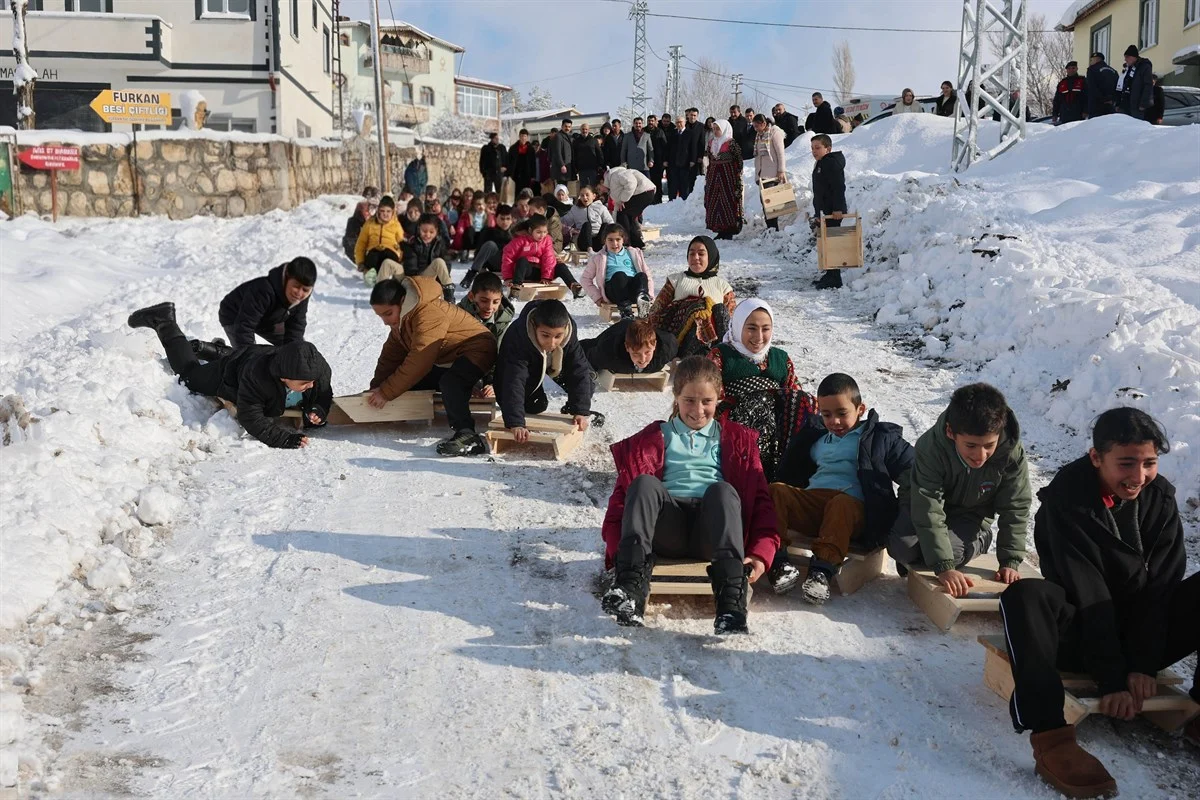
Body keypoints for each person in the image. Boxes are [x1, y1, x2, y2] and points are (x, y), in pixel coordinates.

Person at [997, 408, 1199, 799]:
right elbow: (1087, 590)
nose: (1138, 477)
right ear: (1096, 457)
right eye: (1126, 464)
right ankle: (1052, 739)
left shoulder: (1159, 499)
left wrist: (1142, 664)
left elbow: (1162, 586)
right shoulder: (1067, 500)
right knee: (1025, 596)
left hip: (1140, 634)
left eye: (1149, 463)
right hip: (1078, 634)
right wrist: (1112, 679)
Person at [599, 356, 779, 633]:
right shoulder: (652, 439)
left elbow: (762, 504)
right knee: (644, 484)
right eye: (689, 400)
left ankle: (731, 604)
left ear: (719, 398)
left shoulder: (737, 440)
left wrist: (760, 554)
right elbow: (621, 504)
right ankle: (630, 591)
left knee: (722, 491)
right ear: (676, 396)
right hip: (666, 526)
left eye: (707, 401)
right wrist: (617, 550)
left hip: (714, 531)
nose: (698, 410)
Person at [768, 373, 914, 604]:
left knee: (841, 503)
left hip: (854, 511)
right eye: (826, 415)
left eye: (841, 413)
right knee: (776, 490)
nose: (834, 421)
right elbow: (790, 470)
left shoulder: (879, 437)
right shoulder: (815, 438)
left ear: (860, 409)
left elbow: (914, 468)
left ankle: (820, 571)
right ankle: (777, 562)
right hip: (815, 503)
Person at [887, 383, 1031, 597]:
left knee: (948, 553)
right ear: (951, 432)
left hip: (970, 515)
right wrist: (944, 567)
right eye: (971, 446)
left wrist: (1010, 560)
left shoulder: (1011, 453)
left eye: (989, 445)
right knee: (900, 547)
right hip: (923, 506)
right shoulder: (931, 447)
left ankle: (981, 539)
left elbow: (1016, 506)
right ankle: (923, 557)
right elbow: (927, 506)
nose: (980, 455)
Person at [127, 302, 331, 449]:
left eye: (312, 381)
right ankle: (163, 320)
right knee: (189, 376)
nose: (312, 385)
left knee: (241, 359)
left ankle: (212, 350)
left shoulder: (317, 371)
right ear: (284, 377)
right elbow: (251, 417)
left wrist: (318, 408)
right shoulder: (257, 379)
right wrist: (283, 438)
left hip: (252, 357)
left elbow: (324, 393)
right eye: (304, 382)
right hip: (230, 373)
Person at [366, 277, 497, 457]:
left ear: (402, 302)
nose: (385, 322)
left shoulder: (428, 313)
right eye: (380, 316)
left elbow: (420, 359)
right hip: (451, 357)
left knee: (451, 382)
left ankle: (467, 435)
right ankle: (465, 388)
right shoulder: (403, 319)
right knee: (413, 381)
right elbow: (390, 357)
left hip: (478, 348)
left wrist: (386, 393)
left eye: (388, 314)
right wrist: (377, 387)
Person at [706, 299, 814, 482]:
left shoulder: (780, 359)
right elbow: (710, 398)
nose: (759, 337)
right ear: (738, 325)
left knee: (803, 400)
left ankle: (790, 470)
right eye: (751, 328)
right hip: (737, 427)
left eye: (765, 329)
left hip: (778, 430)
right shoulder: (721, 355)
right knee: (756, 404)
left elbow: (794, 393)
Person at [494, 298, 595, 443]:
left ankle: (571, 408)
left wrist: (580, 411)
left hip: (552, 360)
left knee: (588, 381)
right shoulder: (518, 336)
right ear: (534, 326)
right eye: (545, 335)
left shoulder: (569, 331)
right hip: (522, 368)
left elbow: (578, 370)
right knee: (536, 405)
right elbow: (513, 381)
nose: (552, 342)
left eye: (558, 336)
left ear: (565, 327)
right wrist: (515, 423)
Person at [647, 236, 736, 358]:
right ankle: (699, 352)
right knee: (699, 307)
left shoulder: (723, 286)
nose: (695, 258)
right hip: (683, 340)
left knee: (720, 309)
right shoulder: (676, 280)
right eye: (692, 253)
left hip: (716, 341)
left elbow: (733, 320)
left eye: (701, 254)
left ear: (710, 256)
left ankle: (722, 354)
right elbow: (656, 311)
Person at [218, 257, 315, 347]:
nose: (299, 293)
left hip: (266, 320)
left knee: (292, 348)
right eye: (296, 286)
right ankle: (217, 352)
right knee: (246, 357)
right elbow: (244, 326)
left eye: (305, 290)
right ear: (286, 277)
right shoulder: (264, 290)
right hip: (235, 314)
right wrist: (248, 356)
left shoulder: (300, 297)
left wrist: (294, 355)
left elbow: (296, 326)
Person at [457, 270, 513, 399]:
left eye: (495, 302)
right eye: (484, 301)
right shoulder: (458, 315)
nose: (489, 307)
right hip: (460, 368)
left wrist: (494, 382)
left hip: (487, 369)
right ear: (471, 297)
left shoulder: (502, 320)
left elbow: (501, 354)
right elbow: (452, 354)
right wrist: (466, 383)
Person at [580, 224, 654, 319]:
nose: (614, 244)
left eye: (618, 239)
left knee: (641, 276)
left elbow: (648, 276)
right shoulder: (598, 258)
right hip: (614, 290)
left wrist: (650, 294)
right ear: (604, 241)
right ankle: (625, 309)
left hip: (633, 290)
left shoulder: (634, 253)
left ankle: (643, 300)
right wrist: (597, 297)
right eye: (610, 240)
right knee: (620, 275)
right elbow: (585, 279)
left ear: (623, 240)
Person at [500, 214, 582, 297]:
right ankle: (516, 288)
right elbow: (508, 258)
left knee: (560, 265)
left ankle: (574, 286)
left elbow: (548, 258)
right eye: (538, 232)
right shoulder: (520, 240)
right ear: (530, 230)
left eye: (545, 232)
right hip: (525, 272)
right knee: (522, 260)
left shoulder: (547, 240)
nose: (542, 235)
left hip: (542, 272)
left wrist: (546, 276)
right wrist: (508, 278)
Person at [809, 134, 849, 291]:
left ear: (828, 148)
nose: (814, 151)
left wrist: (838, 208)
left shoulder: (831, 163)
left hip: (833, 210)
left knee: (833, 243)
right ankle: (830, 272)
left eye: (818, 148)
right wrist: (817, 212)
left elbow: (839, 187)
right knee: (827, 242)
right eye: (812, 148)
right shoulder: (820, 163)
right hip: (824, 210)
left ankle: (835, 277)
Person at [581, 317, 678, 381]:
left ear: (655, 345)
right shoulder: (608, 353)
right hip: (616, 332)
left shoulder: (667, 348)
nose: (642, 359)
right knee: (590, 345)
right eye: (636, 354)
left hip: (646, 332)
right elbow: (587, 355)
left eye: (647, 352)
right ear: (627, 348)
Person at [395, 213, 455, 300]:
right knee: (438, 262)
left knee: (440, 262)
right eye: (424, 231)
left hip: (433, 280)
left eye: (431, 232)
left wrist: (439, 284)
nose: (427, 235)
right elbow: (410, 266)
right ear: (419, 229)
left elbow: (447, 264)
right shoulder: (413, 244)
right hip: (417, 280)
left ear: (437, 231)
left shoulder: (440, 244)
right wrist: (414, 286)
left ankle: (448, 295)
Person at [704, 119, 744, 240]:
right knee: (715, 201)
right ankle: (719, 229)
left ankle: (729, 229)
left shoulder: (731, 143)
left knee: (727, 201)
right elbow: (707, 157)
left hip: (728, 177)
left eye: (718, 129)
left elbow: (739, 160)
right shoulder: (711, 143)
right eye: (714, 129)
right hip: (713, 176)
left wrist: (737, 176)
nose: (715, 131)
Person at [598, 166, 656, 250]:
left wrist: (624, 199)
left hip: (644, 191)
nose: (601, 191)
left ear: (602, 181)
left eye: (600, 188)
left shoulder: (615, 175)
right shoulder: (612, 184)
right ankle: (636, 243)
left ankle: (626, 242)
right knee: (627, 216)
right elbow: (617, 206)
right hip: (644, 192)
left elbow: (631, 183)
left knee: (623, 214)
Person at [461, 203, 516, 286]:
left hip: (510, 265)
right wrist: (482, 268)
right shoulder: (489, 231)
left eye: (508, 219)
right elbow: (479, 251)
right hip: (495, 262)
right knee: (490, 245)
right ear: (496, 218)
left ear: (512, 220)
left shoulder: (515, 234)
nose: (505, 222)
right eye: (502, 218)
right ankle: (472, 274)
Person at [354, 194, 405, 284]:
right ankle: (370, 276)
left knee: (388, 258)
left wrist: (402, 258)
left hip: (390, 250)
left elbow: (402, 243)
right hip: (374, 251)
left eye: (388, 211)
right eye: (382, 211)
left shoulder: (396, 225)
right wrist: (360, 261)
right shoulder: (370, 224)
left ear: (393, 212)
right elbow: (361, 243)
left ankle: (391, 276)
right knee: (373, 257)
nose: (385, 214)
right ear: (378, 211)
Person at [753, 113, 787, 231]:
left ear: (763, 123)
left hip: (772, 173)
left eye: (757, 126)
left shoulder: (774, 133)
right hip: (762, 173)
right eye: (754, 126)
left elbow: (780, 153)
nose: (756, 129)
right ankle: (770, 227)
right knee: (765, 202)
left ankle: (774, 227)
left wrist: (781, 170)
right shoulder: (759, 135)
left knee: (771, 204)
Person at [562, 185, 614, 254]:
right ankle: (589, 249)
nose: (585, 197)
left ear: (594, 196)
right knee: (587, 225)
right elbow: (564, 221)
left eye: (587, 195)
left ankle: (604, 248)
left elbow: (611, 223)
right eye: (582, 195)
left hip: (598, 240)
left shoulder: (601, 207)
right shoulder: (575, 209)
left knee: (606, 225)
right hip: (583, 241)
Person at [342, 186, 378, 261]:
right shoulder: (354, 223)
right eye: (371, 206)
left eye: (375, 207)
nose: (372, 210)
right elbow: (352, 249)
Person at [1119, 44, 1153, 120]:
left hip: (1137, 105)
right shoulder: (1128, 69)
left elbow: (1148, 85)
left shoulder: (1144, 67)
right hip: (1126, 105)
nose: (1125, 60)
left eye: (1126, 57)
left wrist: (1143, 103)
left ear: (1132, 57)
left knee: (1135, 126)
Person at [452, 195, 489, 262]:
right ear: (474, 206)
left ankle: (479, 252)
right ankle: (465, 252)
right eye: (478, 204)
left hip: (482, 234)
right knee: (469, 230)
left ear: (485, 204)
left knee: (485, 230)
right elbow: (462, 225)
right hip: (472, 234)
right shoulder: (469, 214)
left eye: (482, 204)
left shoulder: (487, 215)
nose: (480, 206)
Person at [667, 116, 693, 201]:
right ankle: (671, 201)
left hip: (685, 163)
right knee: (673, 183)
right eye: (677, 122)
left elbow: (692, 148)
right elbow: (668, 148)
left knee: (684, 184)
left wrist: (692, 160)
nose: (679, 124)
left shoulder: (689, 133)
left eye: (681, 122)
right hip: (673, 163)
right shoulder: (673, 133)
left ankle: (684, 201)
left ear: (685, 122)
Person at [682, 108, 707, 195]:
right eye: (691, 115)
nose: (692, 117)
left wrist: (700, 156)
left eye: (694, 115)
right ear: (688, 115)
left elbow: (702, 142)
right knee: (684, 180)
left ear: (697, 116)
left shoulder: (701, 126)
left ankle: (694, 196)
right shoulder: (684, 125)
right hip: (685, 157)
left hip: (696, 157)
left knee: (695, 179)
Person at [1086, 52, 1118, 118]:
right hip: (1111, 105)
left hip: (1096, 105)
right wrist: (1112, 99)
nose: (1090, 62)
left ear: (1097, 59)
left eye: (1091, 60)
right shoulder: (1114, 71)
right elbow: (1117, 87)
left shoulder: (1092, 69)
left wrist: (1102, 99)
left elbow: (1092, 87)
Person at [573, 122, 604, 189]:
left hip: (592, 168)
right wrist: (575, 167)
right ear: (580, 130)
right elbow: (574, 155)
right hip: (582, 169)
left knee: (593, 186)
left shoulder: (594, 140)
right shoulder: (576, 142)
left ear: (588, 130)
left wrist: (600, 165)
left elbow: (599, 153)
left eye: (586, 129)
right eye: (583, 129)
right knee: (583, 187)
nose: (584, 131)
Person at [646, 114, 668, 203]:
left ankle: (658, 199)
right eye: (649, 121)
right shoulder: (644, 131)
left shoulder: (660, 132)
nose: (650, 123)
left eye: (652, 121)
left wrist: (665, 160)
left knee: (657, 181)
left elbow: (665, 146)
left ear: (655, 121)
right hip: (646, 161)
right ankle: (648, 200)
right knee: (647, 182)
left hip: (658, 161)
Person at [507, 129, 537, 195]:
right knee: (516, 192)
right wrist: (509, 174)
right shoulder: (513, 148)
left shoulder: (531, 149)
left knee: (526, 192)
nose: (523, 138)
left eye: (525, 136)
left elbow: (533, 163)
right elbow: (509, 162)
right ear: (519, 137)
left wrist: (533, 176)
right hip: (516, 174)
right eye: (522, 136)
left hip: (527, 174)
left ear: (527, 137)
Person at [550, 119, 574, 184]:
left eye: (569, 127)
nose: (567, 128)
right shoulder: (558, 136)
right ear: (562, 126)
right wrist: (562, 165)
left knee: (565, 188)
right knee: (561, 188)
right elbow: (557, 152)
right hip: (561, 168)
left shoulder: (569, 136)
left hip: (567, 166)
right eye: (565, 126)